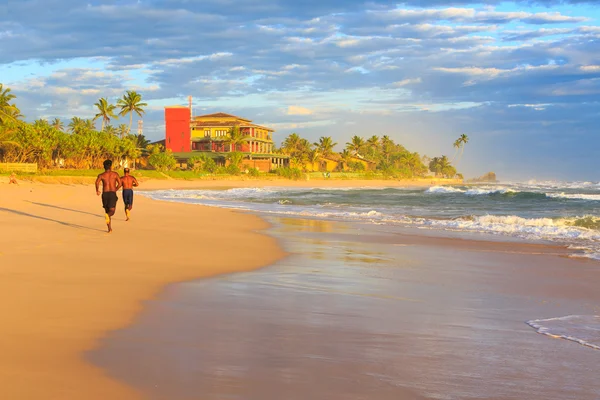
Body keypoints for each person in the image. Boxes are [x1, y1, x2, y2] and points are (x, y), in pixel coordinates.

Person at [95, 160, 121, 233]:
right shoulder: (115, 174)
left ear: (104, 166)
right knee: (111, 211)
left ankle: (109, 229)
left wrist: (97, 190)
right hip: (112, 193)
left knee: (107, 210)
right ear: (111, 166)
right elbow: (120, 183)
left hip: (105, 194)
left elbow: (97, 182)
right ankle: (108, 215)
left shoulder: (101, 175)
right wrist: (115, 189)